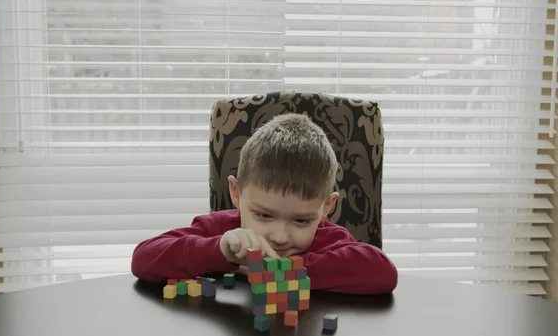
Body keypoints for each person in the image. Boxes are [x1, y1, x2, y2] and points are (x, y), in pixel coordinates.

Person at [131, 113, 397, 294]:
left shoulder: (330, 239)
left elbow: (383, 273)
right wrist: (220, 251)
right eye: (264, 215)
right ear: (236, 193)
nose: (280, 236)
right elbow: (143, 259)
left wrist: (279, 271)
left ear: (326, 209)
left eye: (302, 220)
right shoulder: (221, 230)